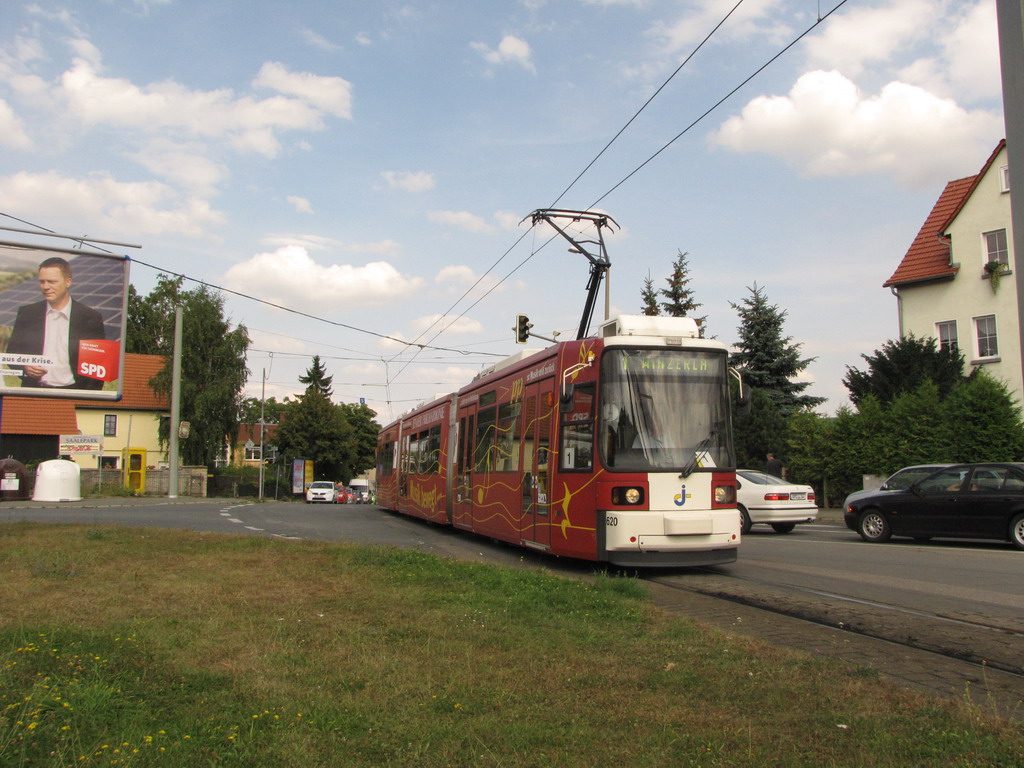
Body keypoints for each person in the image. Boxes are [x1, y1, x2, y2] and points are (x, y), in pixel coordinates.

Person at [6, 257, 106, 390]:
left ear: (68, 282)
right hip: (34, 393)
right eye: (42, 282)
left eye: (52, 282)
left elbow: (99, 366)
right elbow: (12, 353)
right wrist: (25, 367)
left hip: (74, 394)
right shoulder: (27, 313)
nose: (45, 287)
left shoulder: (90, 318)